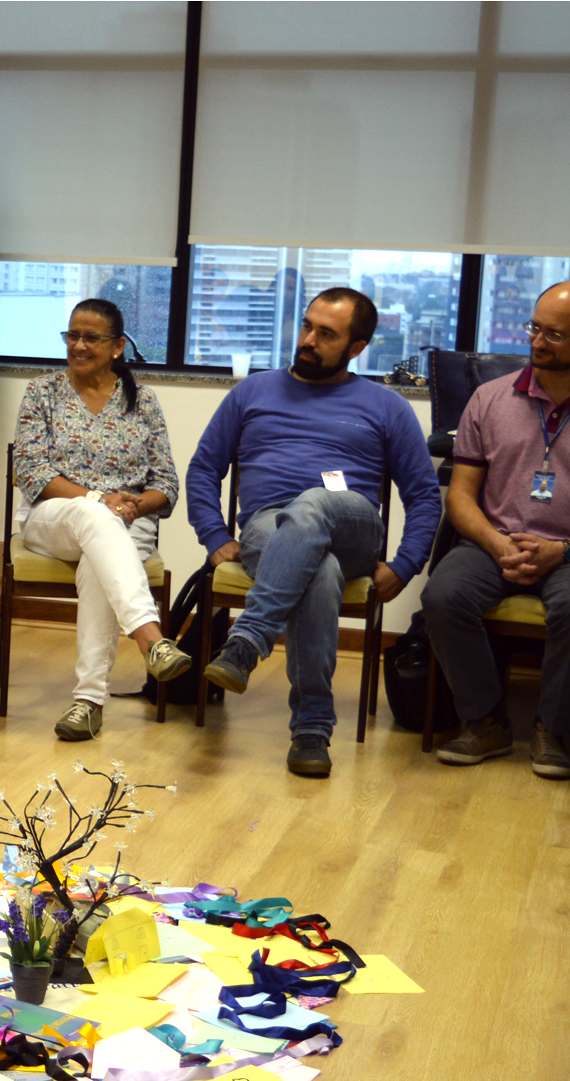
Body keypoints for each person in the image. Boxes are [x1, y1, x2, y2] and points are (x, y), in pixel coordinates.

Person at [186, 287, 441, 777]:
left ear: (357, 347)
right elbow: (203, 470)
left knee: (314, 502)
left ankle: (248, 638)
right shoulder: (252, 392)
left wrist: (406, 563)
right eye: (307, 326)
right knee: (319, 572)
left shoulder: (386, 406)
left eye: (327, 334)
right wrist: (215, 537)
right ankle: (311, 731)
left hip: (352, 525)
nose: (308, 340)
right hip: (268, 527)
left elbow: (424, 495)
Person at [425, 281, 570, 779]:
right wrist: (495, 543)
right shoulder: (489, 399)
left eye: (554, 334)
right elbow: (461, 496)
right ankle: (485, 721)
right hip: (494, 542)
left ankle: (552, 730)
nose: (536, 342)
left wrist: (563, 550)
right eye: (534, 327)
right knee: (442, 595)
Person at [13, 298, 191, 741]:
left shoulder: (142, 401)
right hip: (54, 517)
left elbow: (166, 483)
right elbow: (32, 472)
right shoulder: (42, 392)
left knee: (101, 557)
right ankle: (150, 638)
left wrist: (133, 506)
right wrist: (99, 499)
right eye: (72, 336)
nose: (78, 345)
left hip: (127, 522)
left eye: (90, 338)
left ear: (117, 346)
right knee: (94, 517)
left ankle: (88, 702)